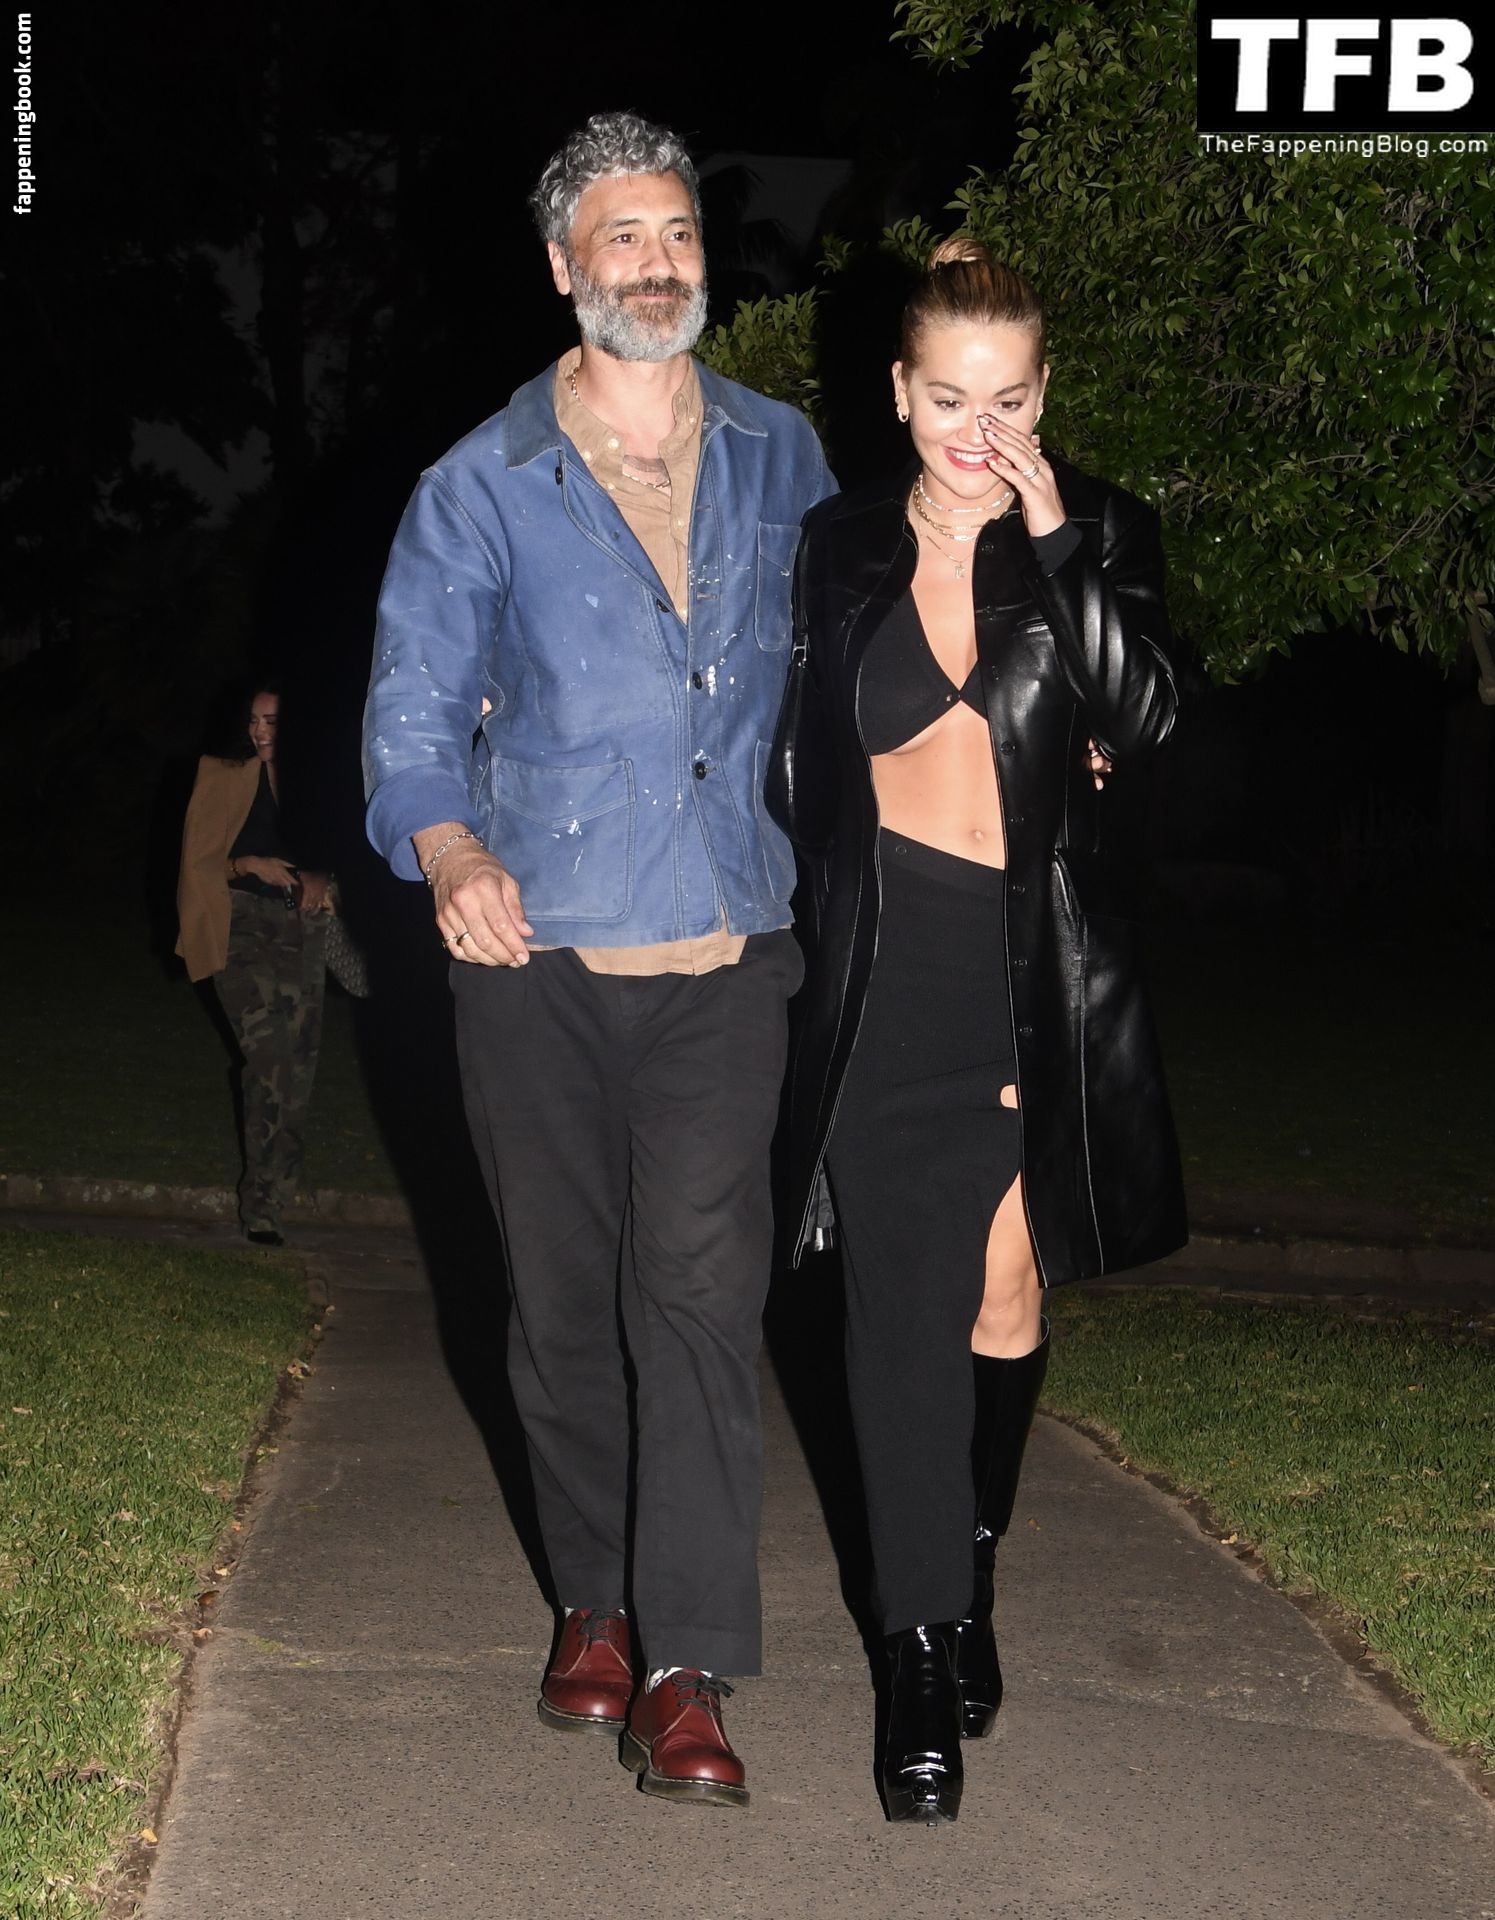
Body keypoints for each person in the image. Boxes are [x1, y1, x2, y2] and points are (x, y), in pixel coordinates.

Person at [361, 112, 834, 1810]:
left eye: (678, 233)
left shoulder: (785, 457)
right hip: (538, 957)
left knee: (698, 1297)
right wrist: (450, 849)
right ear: (564, 264)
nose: (656, 263)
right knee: (562, 1307)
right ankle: (595, 1599)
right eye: (621, 238)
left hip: (727, 947)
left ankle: (687, 1668)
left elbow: (860, 657)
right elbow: (411, 714)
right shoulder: (477, 484)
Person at [767, 238, 1186, 1824]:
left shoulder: (1094, 532)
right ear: (898, 390)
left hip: (1028, 984)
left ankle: (969, 1563)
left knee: (1003, 1299)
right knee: (897, 1325)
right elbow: (793, 759)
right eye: (947, 398)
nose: (975, 429)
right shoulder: (837, 543)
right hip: (883, 981)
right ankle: (917, 1654)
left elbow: (1141, 718)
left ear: (1041, 394)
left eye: (1005, 399)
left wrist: (1052, 534)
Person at [176, 684, 331, 1248]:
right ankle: (259, 1206)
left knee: (298, 1072)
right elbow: (196, 863)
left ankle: (277, 1193)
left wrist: (322, 876)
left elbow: (347, 852)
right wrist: (248, 863)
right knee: (268, 1058)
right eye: (252, 721)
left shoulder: (320, 784)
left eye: (271, 722)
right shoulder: (220, 775)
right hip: (239, 926)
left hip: (303, 929)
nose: (259, 732)